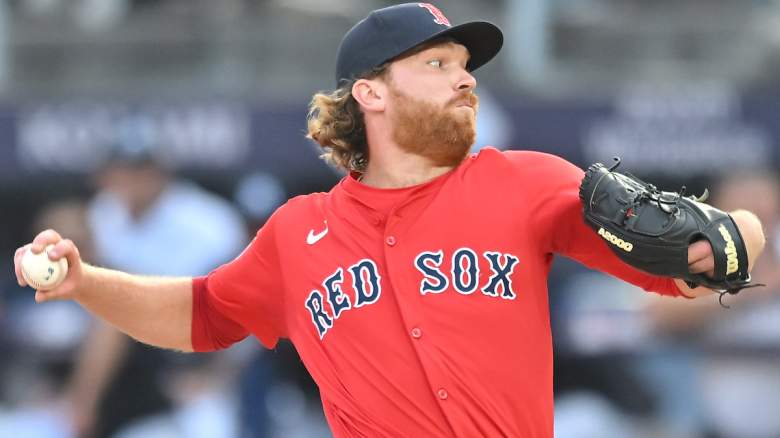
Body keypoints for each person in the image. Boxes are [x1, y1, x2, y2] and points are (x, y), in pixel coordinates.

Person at [12, 3, 767, 437]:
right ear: (370, 94)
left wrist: (734, 237)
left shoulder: (527, 182)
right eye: (437, 64)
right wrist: (85, 283)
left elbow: (705, 259)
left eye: (465, 65)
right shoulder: (297, 231)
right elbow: (202, 314)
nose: (465, 77)